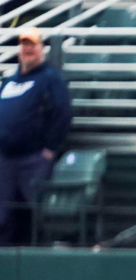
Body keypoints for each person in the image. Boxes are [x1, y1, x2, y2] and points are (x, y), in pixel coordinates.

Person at [0, 26, 71, 245]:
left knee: (34, 213)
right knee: (3, 215)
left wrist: (50, 149)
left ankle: (36, 259)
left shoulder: (51, 79)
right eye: (24, 45)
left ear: (41, 49)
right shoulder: (9, 81)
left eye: (32, 45)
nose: (28, 49)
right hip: (5, 159)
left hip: (33, 158)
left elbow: (63, 113)